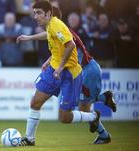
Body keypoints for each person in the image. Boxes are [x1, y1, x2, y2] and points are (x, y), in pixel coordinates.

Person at [19, 5, 117, 144]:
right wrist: (31, 40)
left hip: (85, 69)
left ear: (51, 16)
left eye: (39, 13)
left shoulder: (59, 28)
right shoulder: (54, 28)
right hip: (61, 69)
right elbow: (53, 42)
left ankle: (102, 125)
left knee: (81, 107)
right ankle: (29, 139)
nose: (36, 17)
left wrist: (58, 66)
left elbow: (68, 46)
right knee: (37, 102)